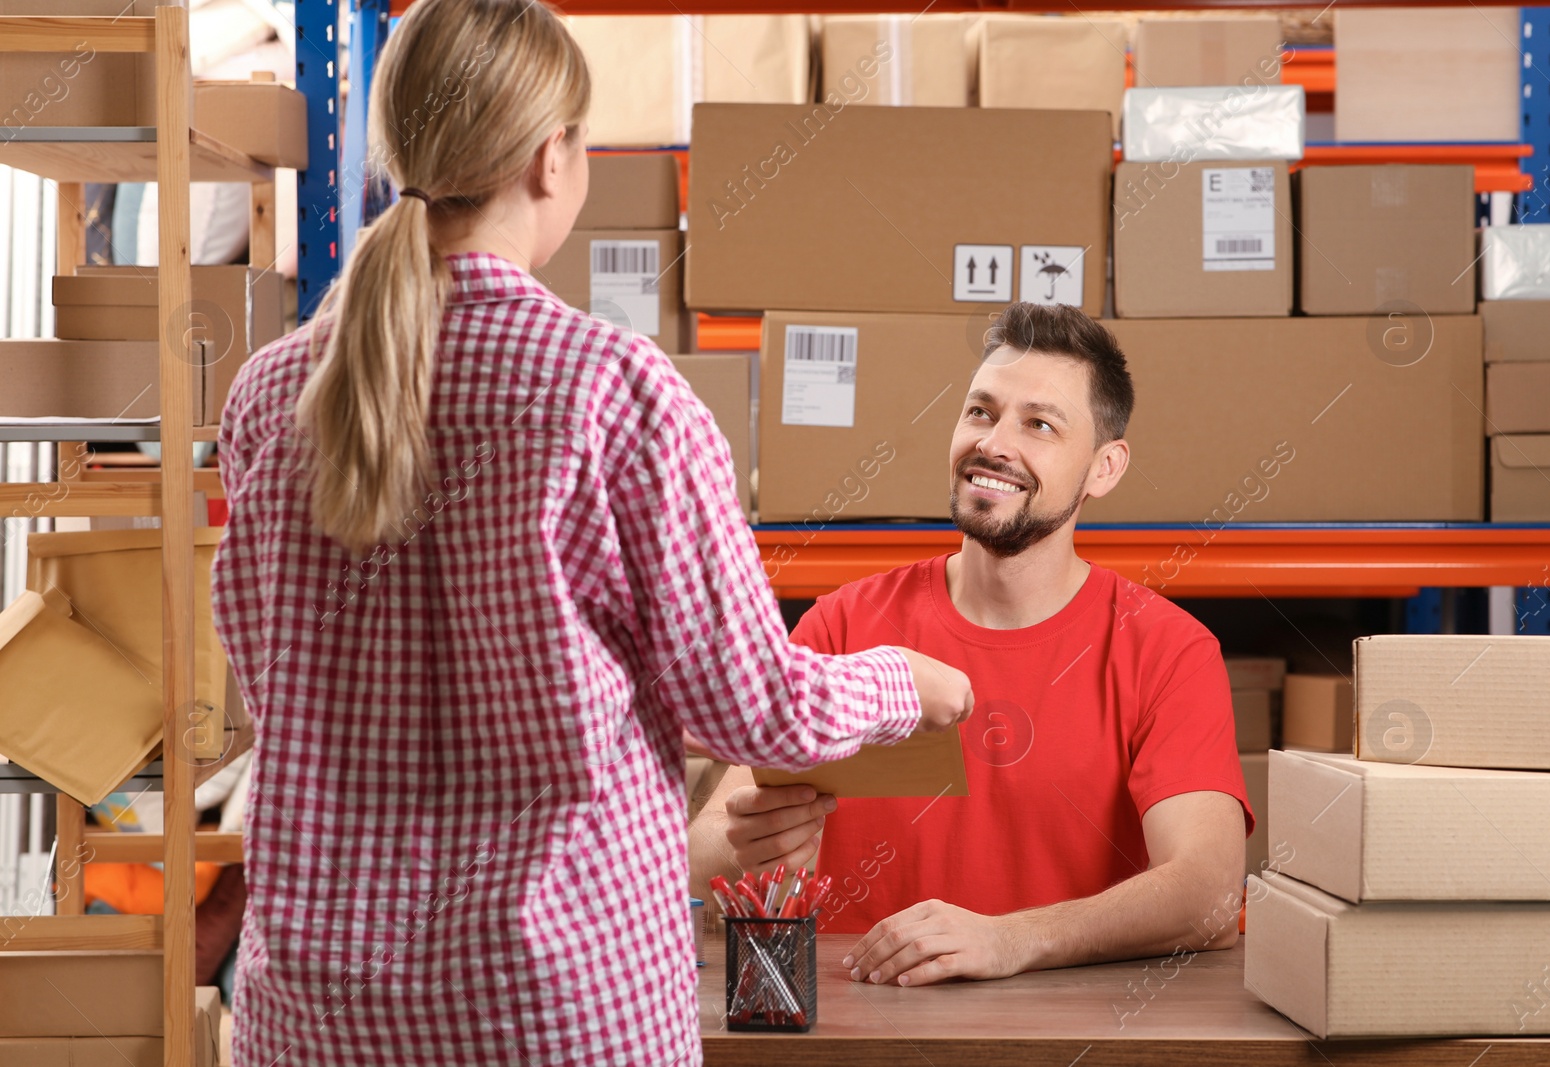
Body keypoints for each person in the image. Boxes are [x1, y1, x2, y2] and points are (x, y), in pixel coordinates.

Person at [209, 2, 972, 1063]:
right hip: (554, 1007)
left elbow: (273, 681)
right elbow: (759, 706)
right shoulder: (614, 392)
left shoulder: (268, 395)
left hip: (319, 1013)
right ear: (549, 157)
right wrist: (908, 682)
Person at [690, 301, 1252, 989]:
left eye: (1039, 424)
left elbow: (1213, 892)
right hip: (851, 1033)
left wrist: (1014, 937)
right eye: (981, 412)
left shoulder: (1167, 651)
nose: (994, 443)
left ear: (1104, 468)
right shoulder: (843, 626)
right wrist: (744, 844)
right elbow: (698, 849)